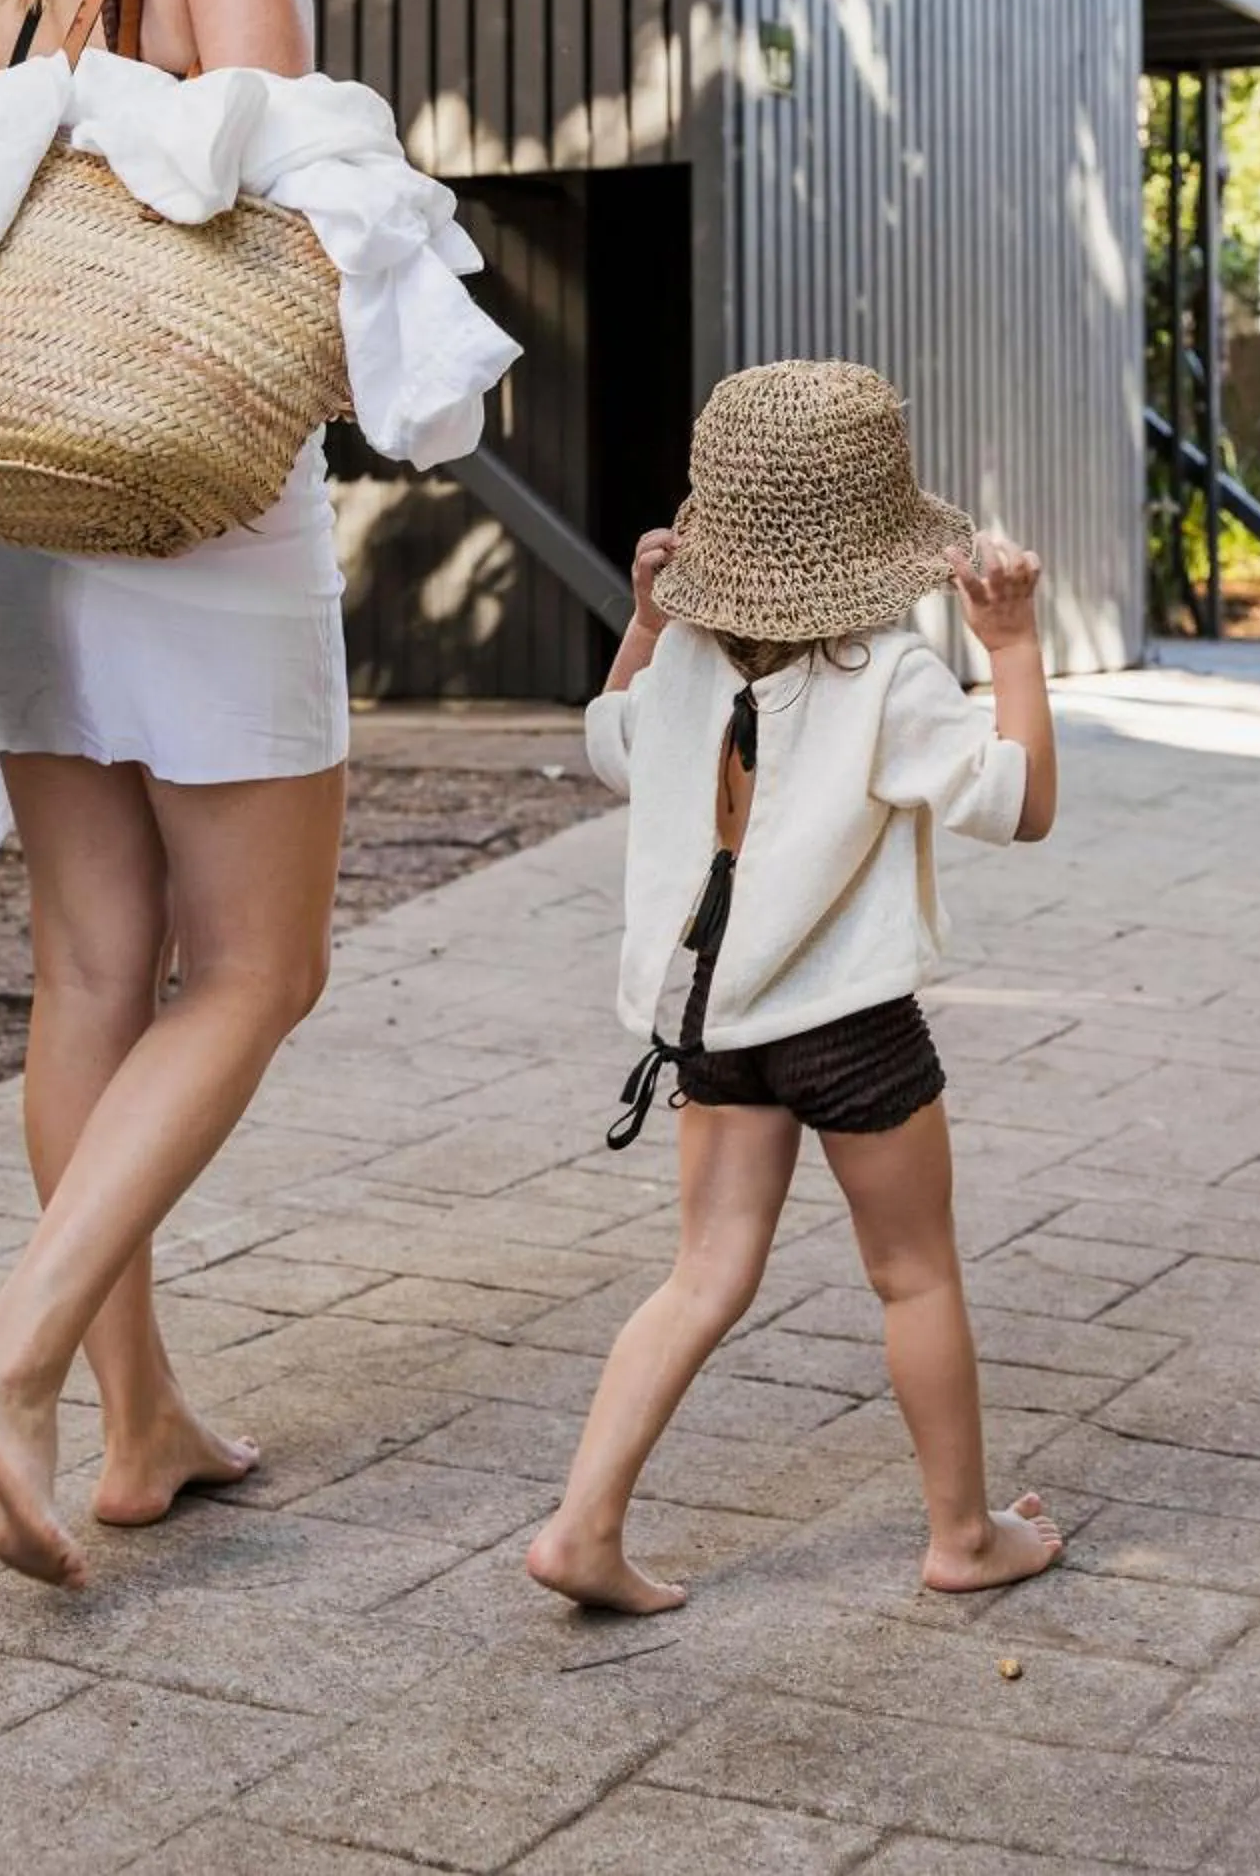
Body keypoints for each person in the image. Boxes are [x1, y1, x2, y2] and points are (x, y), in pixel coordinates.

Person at [0, 0, 398, 1588]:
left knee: (94, 969)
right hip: (176, 474)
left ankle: (139, 1425)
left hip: (6, 475)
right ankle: (10, 1362)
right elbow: (270, 153)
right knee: (261, 970)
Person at [527, 357, 1063, 1615]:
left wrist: (649, 623)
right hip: (851, 1027)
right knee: (914, 1275)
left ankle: (581, 1527)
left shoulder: (682, 665)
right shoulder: (888, 673)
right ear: (876, 529)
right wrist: (1016, 644)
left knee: (701, 1273)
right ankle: (962, 1537)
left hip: (711, 1019)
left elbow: (608, 751)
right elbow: (1021, 806)